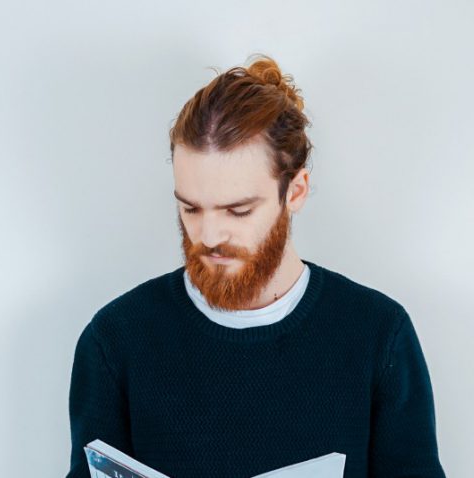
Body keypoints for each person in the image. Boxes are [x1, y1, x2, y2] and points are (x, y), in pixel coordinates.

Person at [65, 54, 446, 478]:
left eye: (238, 210)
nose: (208, 237)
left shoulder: (377, 336)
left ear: (295, 191)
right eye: (190, 208)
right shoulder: (116, 341)